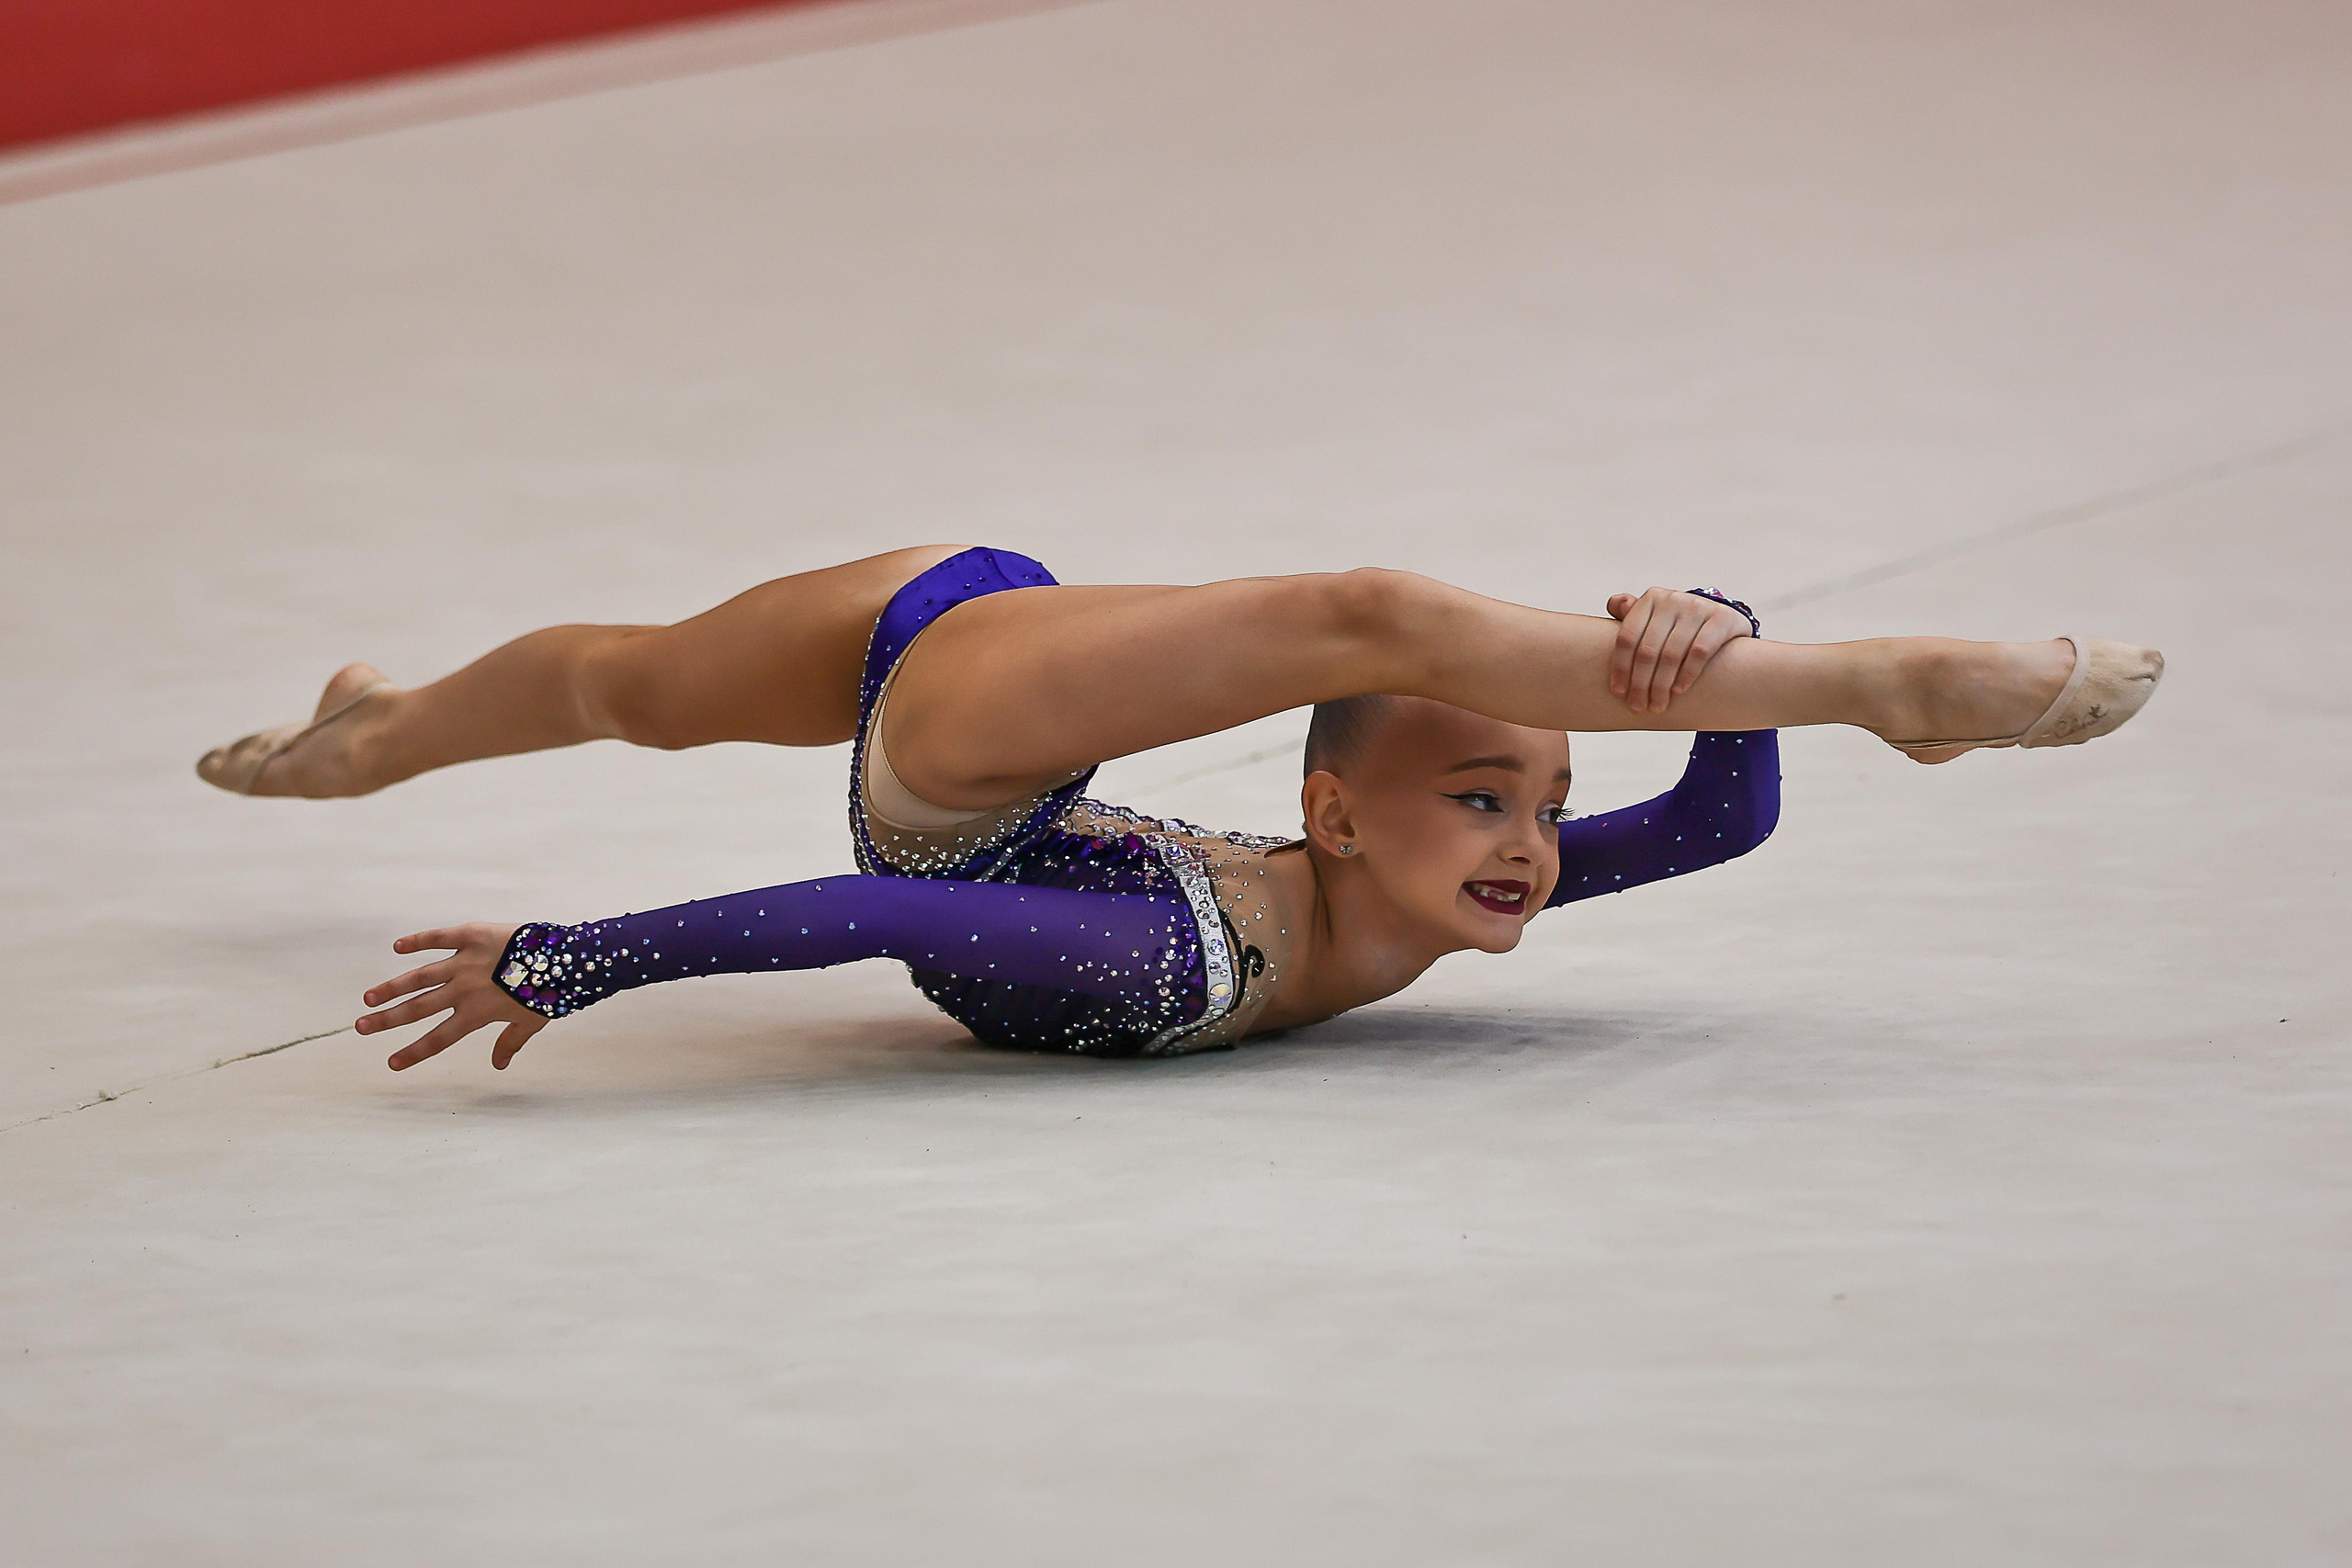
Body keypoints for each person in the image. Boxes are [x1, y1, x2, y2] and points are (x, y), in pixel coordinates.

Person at [194, 545, 2163, 1071]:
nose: (1534, 846)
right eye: (1485, 796)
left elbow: (907, 904)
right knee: (619, 681)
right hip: (983, 720)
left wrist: (1705, 635)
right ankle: (376, 731)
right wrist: (1738, 640)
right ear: (1326, 809)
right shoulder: (1186, 954)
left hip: (950, 774)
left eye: (1541, 805)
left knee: (636, 681)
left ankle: (368, 731)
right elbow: (1714, 821)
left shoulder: (1367, 901)